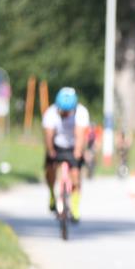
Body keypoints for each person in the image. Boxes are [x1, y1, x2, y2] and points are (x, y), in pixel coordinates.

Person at [43, 87, 89, 220]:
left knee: (75, 175)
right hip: (57, 145)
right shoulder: (50, 113)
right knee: (49, 170)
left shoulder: (81, 113)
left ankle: (75, 207)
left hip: (73, 145)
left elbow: (80, 135)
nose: (64, 114)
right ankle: (52, 194)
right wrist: (51, 151)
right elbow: (48, 135)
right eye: (62, 111)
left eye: (67, 112)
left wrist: (78, 152)